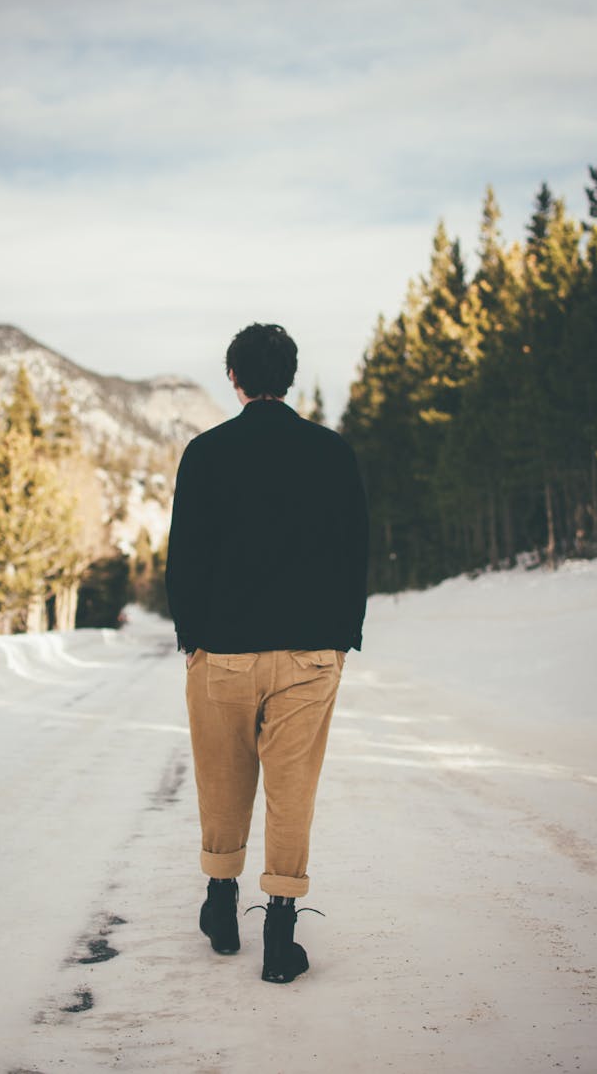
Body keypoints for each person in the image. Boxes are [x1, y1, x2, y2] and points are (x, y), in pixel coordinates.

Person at [165, 322, 368, 983]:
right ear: (288, 375)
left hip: (222, 650)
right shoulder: (333, 452)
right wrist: (343, 634)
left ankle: (221, 908)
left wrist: (191, 637)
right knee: (292, 790)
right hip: (310, 652)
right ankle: (280, 934)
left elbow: (185, 557)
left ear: (235, 378)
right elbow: (354, 550)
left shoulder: (205, 452)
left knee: (221, 779)